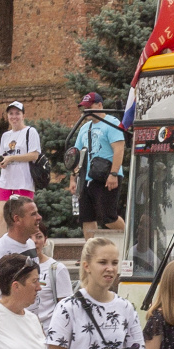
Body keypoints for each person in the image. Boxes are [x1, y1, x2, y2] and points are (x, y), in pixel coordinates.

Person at [0, 193, 74, 309]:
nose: (39, 217)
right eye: (33, 214)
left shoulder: (29, 244)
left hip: (30, 321)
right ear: (17, 219)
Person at [71, 93, 126, 240]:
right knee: (87, 217)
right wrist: (73, 178)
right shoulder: (84, 127)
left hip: (106, 176)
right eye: (85, 107)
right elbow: (76, 154)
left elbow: (119, 149)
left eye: (90, 106)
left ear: (100, 105)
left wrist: (114, 174)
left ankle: (129, 239)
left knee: (108, 216)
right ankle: (91, 252)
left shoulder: (111, 123)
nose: (87, 110)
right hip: (86, 177)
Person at [0, 102, 49, 215]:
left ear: (23, 115)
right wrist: (2, 162)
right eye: (11, 113)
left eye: (17, 113)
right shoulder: (5, 136)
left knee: (23, 216)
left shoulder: (30, 132)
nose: (14, 117)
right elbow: (2, 157)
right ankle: (1, 234)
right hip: (5, 181)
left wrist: (11, 158)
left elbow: (34, 155)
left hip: (23, 181)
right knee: (1, 216)